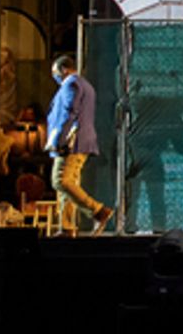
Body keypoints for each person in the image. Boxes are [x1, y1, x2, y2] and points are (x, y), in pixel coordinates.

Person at [45, 55, 113, 236]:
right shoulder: (86, 85)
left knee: (60, 180)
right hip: (81, 141)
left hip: (71, 142)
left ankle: (98, 210)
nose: (55, 77)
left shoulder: (71, 84)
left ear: (64, 69)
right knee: (70, 184)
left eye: (55, 73)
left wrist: (58, 140)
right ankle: (66, 228)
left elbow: (68, 113)